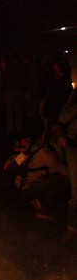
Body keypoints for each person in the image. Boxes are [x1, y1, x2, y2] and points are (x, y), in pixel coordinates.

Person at [56, 87, 77, 243]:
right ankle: (72, 229)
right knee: (76, 189)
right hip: (73, 146)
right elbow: (63, 117)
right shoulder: (76, 93)